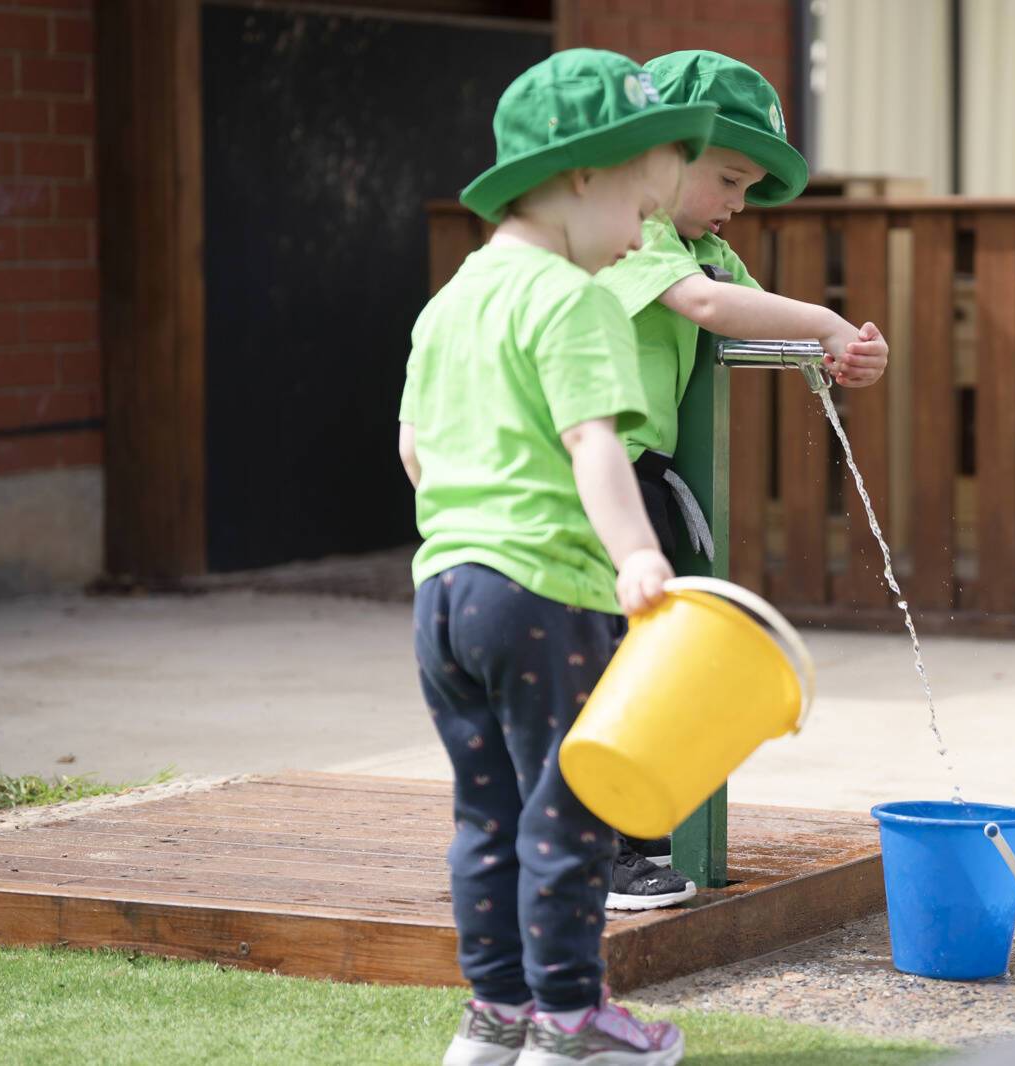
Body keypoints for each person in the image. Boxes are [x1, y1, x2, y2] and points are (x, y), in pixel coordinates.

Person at [398, 48, 714, 1065]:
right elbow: (593, 441)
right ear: (583, 176)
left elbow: (412, 449)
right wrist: (634, 553)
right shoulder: (573, 300)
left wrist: (470, 530)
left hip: (445, 593)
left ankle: (494, 1019)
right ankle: (574, 1022)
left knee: (486, 814)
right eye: (639, 210)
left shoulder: (452, 300)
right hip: (546, 593)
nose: (639, 238)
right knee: (575, 812)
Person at [594, 49, 889, 911]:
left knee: (653, 649)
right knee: (619, 654)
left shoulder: (699, 244)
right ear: (663, 157)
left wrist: (841, 356)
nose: (738, 205)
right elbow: (710, 309)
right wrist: (829, 320)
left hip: (641, 474)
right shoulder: (638, 229)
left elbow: (760, 323)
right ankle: (611, 851)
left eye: (750, 188)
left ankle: (623, 839)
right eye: (728, 178)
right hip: (595, 467)